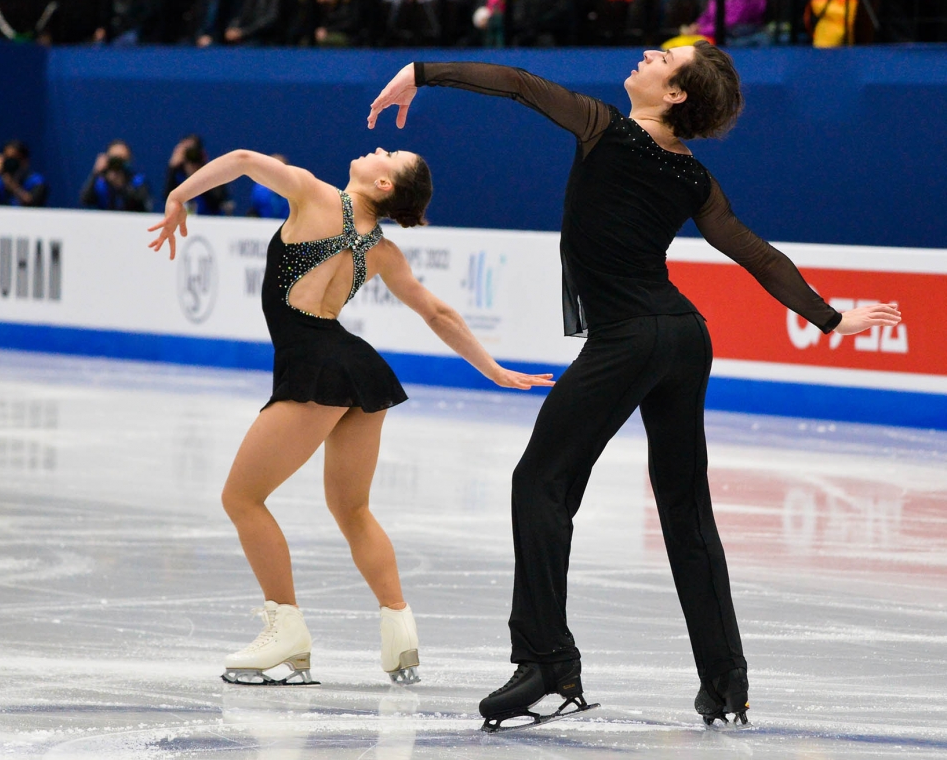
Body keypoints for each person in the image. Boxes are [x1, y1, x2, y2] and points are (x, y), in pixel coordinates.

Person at [367, 49, 901, 727]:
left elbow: (521, 85)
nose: (648, 53)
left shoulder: (606, 127)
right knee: (685, 509)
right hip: (682, 337)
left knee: (541, 480)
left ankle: (547, 662)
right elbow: (750, 248)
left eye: (664, 58)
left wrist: (420, 72)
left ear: (675, 93)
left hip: (632, 336)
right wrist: (830, 318)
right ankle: (726, 680)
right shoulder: (692, 175)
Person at [147, 146, 554, 685]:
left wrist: (178, 195)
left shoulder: (312, 194)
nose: (376, 148)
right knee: (353, 509)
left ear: (384, 183)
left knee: (241, 498)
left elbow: (244, 158)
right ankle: (398, 627)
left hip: (317, 367)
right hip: (358, 368)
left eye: (388, 154)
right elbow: (436, 311)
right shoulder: (381, 250)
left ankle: (285, 629)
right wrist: (494, 369)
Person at [164, 135, 234, 216]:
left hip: (209, 220)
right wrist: (172, 168)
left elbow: (217, 201)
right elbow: (168, 198)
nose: (191, 155)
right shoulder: (177, 174)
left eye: (193, 150)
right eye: (187, 151)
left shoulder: (213, 172)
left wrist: (199, 175)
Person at [80, 140, 152, 212]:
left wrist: (122, 186)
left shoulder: (137, 181)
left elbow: (145, 205)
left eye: (121, 159)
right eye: (114, 159)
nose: (117, 164)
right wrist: (95, 173)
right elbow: (85, 200)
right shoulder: (100, 182)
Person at [0, 140, 48, 207]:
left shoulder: (35, 181)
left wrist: (13, 187)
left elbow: (33, 203)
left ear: (24, 161)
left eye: (14, 159)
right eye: (7, 158)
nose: (11, 163)